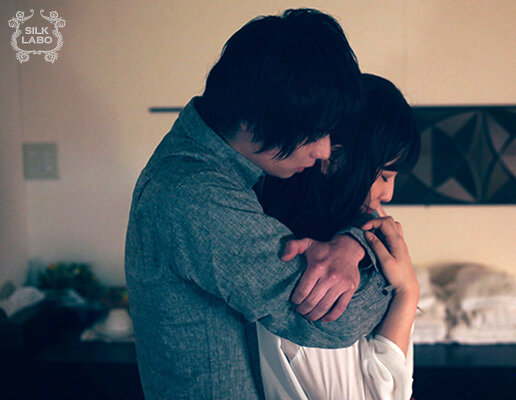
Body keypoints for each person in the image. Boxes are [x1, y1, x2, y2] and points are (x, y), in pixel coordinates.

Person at [125, 10, 391, 399]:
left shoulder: (237, 170)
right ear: (251, 118)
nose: (323, 151)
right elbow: (336, 320)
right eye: (313, 133)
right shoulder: (196, 196)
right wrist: (395, 275)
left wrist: (351, 245)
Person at [255, 74, 421, 399]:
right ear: (334, 159)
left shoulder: (354, 243)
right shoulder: (312, 273)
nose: (388, 194)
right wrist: (408, 292)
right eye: (384, 176)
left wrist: (354, 241)